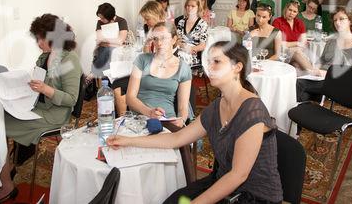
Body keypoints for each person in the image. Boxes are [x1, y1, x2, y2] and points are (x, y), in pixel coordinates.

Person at [107, 41, 283, 204]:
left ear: (237, 67)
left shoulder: (252, 109)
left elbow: (239, 175)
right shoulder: (217, 107)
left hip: (254, 196)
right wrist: (126, 140)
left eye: (217, 62)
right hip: (224, 183)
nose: (209, 67)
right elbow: (177, 139)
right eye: (209, 62)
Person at [0, 14, 82, 202]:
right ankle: (7, 167)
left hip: (55, 116)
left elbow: (71, 99)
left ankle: (7, 183)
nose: (38, 42)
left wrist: (46, 89)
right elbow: (39, 82)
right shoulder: (45, 57)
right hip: (38, 106)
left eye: (40, 38)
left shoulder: (69, 61)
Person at [126, 22, 191, 128]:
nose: (159, 43)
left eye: (163, 38)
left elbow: (183, 107)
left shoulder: (183, 68)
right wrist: (149, 112)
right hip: (140, 118)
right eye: (156, 39)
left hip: (167, 120)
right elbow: (130, 98)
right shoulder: (142, 60)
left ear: (174, 40)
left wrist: (181, 120)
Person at [296, 7, 352, 102]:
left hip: (336, 83)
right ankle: (316, 104)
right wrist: (315, 70)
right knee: (301, 89)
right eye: (335, 20)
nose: (337, 22)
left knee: (299, 84)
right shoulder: (331, 41)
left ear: (350, 21)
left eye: (341, 19)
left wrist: (325, 74)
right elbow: (322, 59)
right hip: (319, 79)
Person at [111, 0, 166, 115]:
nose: (145, 22)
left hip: (158, 75)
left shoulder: (165, 32)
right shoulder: (153, 30)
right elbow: (146, 54)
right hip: (149, 71)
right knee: (117, 84)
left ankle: (123, 118)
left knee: (119, 86)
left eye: (147, 19)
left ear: (156, 16)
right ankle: (123, 118)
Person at [91, 3, 128, 77]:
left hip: (118, 49)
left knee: (109, 51)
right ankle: (99, 75)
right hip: (104, 48)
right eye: (100, 18)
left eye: (103, 18)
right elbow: (99, 40)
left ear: (110, 16)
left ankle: (94, 73)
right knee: (105, 50)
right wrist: (114, 41)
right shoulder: (100, 22)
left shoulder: (121, 21)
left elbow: (120, 40)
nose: (101, 20)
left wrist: (105, 40)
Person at [272, 0, 311, 70]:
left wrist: (296, 45)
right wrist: (297, 43)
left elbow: (304, 43)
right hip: (282, 53)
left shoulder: (299, 23)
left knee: (297, 66)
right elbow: (280, 44)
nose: (291, 13)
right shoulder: (277, 22)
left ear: (297, 13)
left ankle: (312, 75)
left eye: (294, 11)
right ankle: (314, 73)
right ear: (285, 9)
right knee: (297, 53)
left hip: (299, 52)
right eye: (290, 10)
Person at [176, 0, 209, 68]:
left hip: (193, 54)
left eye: (192, 6)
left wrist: (190, 49)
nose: (189, 8)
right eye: (188, 6)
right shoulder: (181, 22)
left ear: (198, 8)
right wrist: (184, 47)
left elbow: (202, 45)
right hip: (180, 49)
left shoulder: (203, 24)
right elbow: (178, 40)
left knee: (178, 59)